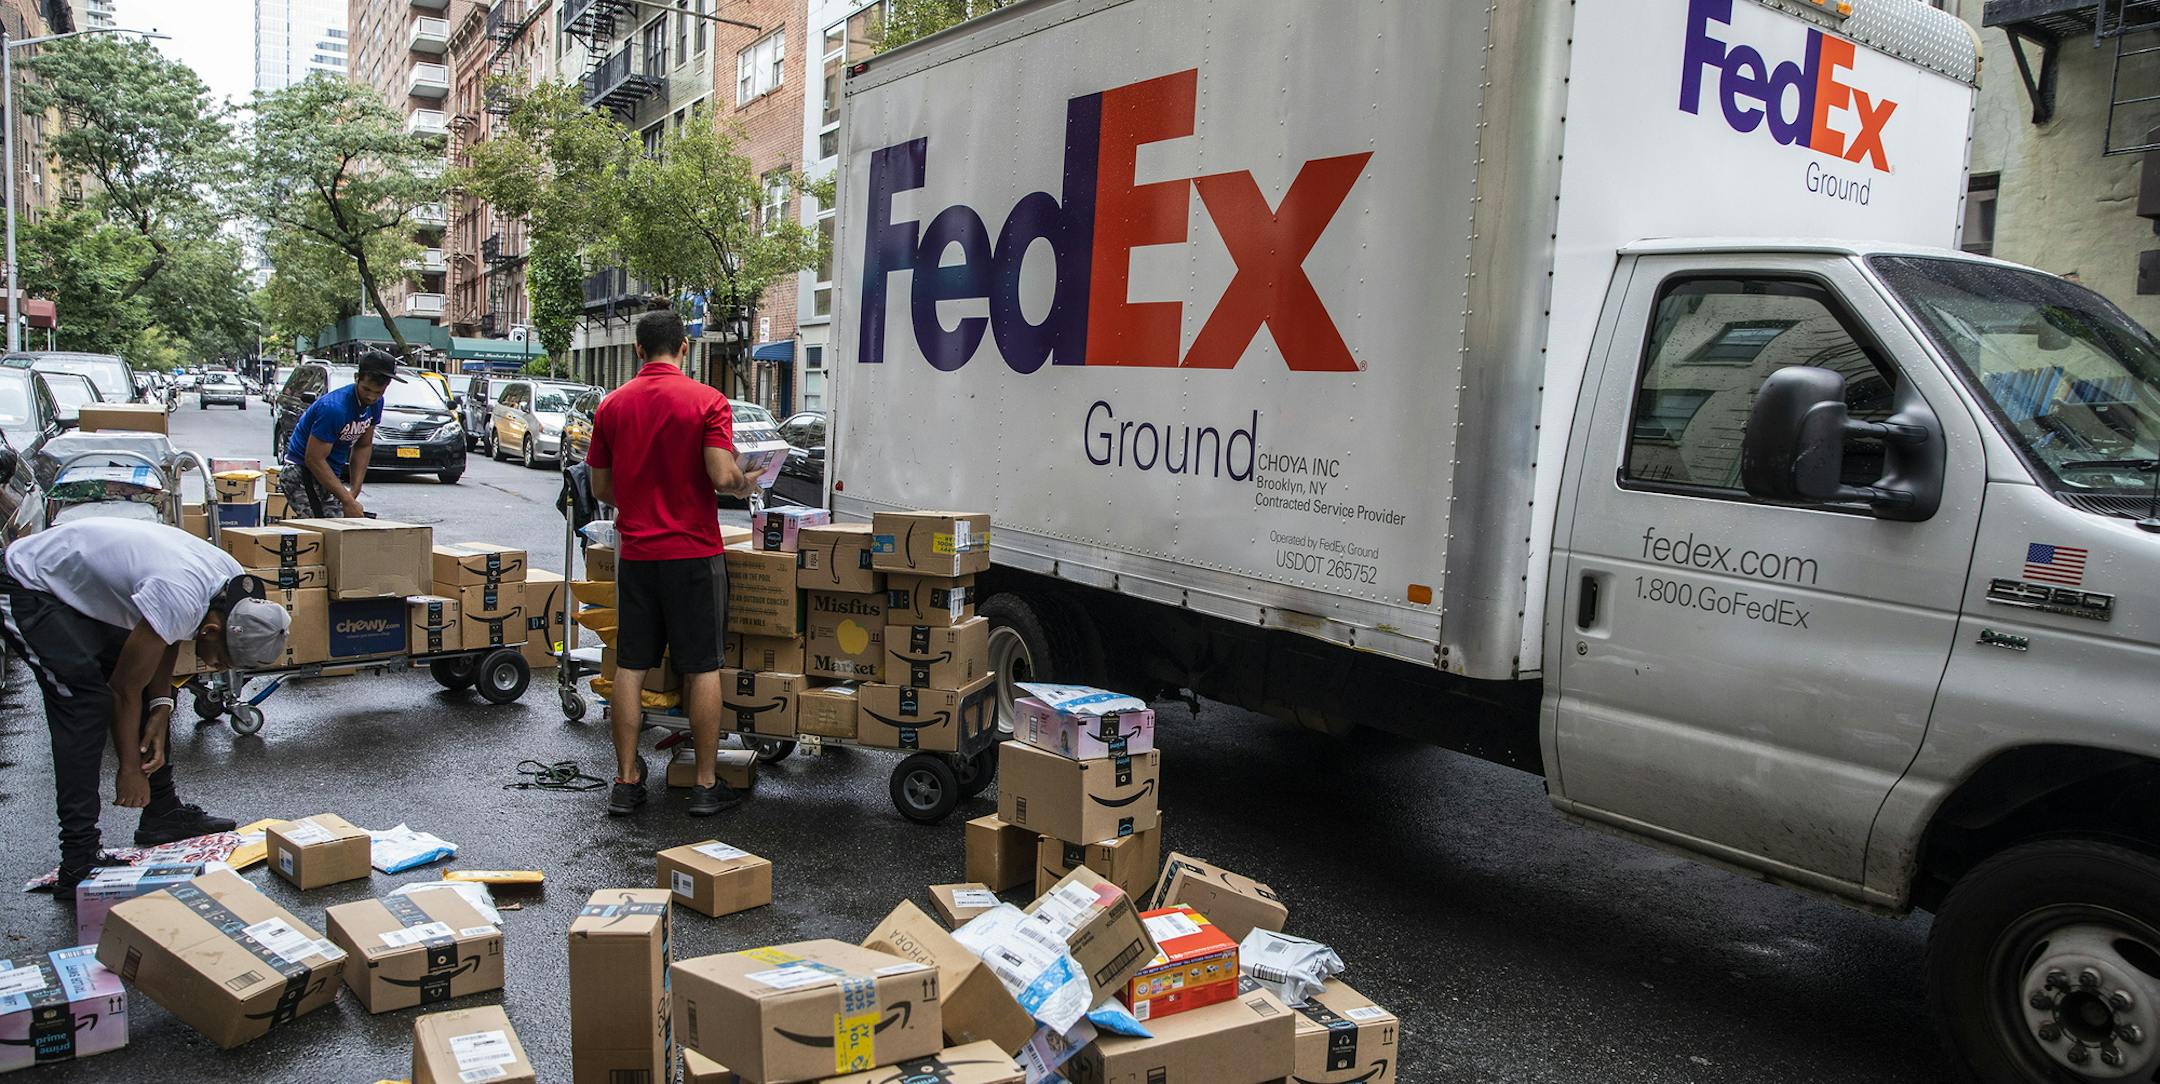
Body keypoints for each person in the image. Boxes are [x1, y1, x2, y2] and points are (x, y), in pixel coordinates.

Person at [0, 519, 292, 898]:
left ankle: (162, 812)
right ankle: (79, 857)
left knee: (141, 689)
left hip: (77, 588)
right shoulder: (183, 595)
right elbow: (124, 688)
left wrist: (161, 706)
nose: (219, 668)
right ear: (212, 632)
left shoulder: (229, 590)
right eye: (221, 661)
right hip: (28, 582)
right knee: (83, 702)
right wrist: (129, 769)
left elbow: (166, 636)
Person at [586, 308, 759, 818]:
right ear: (685, 348)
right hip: (693, 554)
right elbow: (720, 476)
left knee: (631, 665)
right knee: (702, 666)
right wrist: (746, 480)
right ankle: (705, 784)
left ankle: (625, 780)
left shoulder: (612, 406)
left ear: (638, 350)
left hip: (637, 555)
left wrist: (639, 503)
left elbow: (600, 488)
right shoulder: (708, 402)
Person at [280, 349, 400, 519]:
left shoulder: (376, 404)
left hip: (330, 473)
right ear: (357, 378)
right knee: (325, 529)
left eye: (378, 392)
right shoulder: (334, 408)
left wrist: (354, 491)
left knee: (342, 524)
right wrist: (347, 501)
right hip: (302, 472)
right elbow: (314, 459)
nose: (371, 397)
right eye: (366, 389)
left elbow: (363, 446)